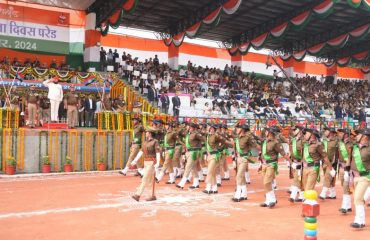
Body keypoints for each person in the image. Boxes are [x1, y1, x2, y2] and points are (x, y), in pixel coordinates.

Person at [259, 127, 289, 208]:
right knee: (266, 184)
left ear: (270, 133)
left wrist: (290, 162)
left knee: (267, 182)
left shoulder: (276, 143)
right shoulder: (265, 141)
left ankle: (272, 199)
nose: (265, 132)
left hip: (271, 164)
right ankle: (268, 200)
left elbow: (283, 153)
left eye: (267, 131)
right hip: (264, 164)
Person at [300, 128, 333, 202]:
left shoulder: (318, 144)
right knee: (305, 188)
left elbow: (325, 157)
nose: (305, 134)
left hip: (313, 168)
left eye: (307, 133)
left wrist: (331, 169)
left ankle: (308, 206)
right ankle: (309, 204)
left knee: (309, 189)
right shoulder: (305, 143)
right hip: (305, 168)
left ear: (312, 135)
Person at [131, 127, 161, 202]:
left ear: (150, 133)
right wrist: (135, 160)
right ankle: (152, 195)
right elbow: (141, 152)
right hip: (146, 162)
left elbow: (158, 152)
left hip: (151, 162)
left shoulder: (155, 141)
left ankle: (137, 195)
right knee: (150, 180)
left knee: (145, 178)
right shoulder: (145, 142)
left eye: (147, 132)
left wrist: (158, 162)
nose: (146, 133)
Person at [232, 123, 258, 202]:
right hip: (238, 158)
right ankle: (244, 194)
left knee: (239, 175)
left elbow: (255, 146)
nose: (237, 129)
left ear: (242, 129)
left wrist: (262, 153)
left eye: (238, 128)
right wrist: (234, 158)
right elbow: (235, 148)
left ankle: (238, 194)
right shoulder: (237, 137)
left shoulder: (248, 137)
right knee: (241, 177)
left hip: (245, 158)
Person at [350, 129, 370, 228]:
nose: (356, 136)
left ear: (365, 137)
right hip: (355, 176)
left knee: (358, 198)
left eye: (358, 135)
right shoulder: (355, 146)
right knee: (359, 199)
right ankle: (361, 221)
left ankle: (358, 221)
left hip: (366, 176)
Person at [203, 123, 229, 194]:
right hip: (209, 156)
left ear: (212, 128)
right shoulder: (208, 135)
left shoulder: (216, 135)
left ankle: (208, 187)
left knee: (209, 171)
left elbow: (224, 140)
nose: (208, 128)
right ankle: (215, 188)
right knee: (213, 173)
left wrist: (232, 143)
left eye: (209, 127)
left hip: (215, 156)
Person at [176, 122, 203, 189]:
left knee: (188, 167)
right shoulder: (188, 134)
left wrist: (199, 148)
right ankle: (196, 183)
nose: (188, 128)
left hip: (194, 152)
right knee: (193, 169)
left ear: (194, 128)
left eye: (190, 127)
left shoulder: (196, 134)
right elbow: (179, 134)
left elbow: (204, 139)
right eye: (188, 127)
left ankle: (182, 183)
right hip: (188, 152)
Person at [336, 128, 353, 214]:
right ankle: (349, 205)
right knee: (344, 186)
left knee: (346, 186)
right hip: (341, 167)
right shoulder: (340, 143)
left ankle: (345, 206)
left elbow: (350, 157)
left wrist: (347, 169)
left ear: (346, 134)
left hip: (348, 168)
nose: (339, 134)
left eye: (341, 133)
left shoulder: (351, 144)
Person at [319, 127, 338, 200]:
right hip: (324, 161)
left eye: (326, 131)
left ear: (331, 132)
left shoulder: (336, 141)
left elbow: (337, 152)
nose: (324, 132)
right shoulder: (323, 140)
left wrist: (335, 161)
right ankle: (332, 194)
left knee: (327, 177)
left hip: (332, 162)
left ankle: (323, 194)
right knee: (330, 178)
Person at [288, 125, 305, 202]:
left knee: (296, 179)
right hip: (294, 162)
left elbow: (305, 153)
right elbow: (291, 151)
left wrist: (301, 163)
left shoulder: (304, 141)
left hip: (301, 163)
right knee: (299, 180)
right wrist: (290, 162)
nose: (293, 131)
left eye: (295, 129)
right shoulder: (293, 140)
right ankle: (302, 196)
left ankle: (293, 196)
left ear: (300, 131)